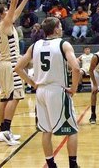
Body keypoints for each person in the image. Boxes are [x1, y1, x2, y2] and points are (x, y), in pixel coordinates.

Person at [14, 17, 81, 168]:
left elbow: (18, 67)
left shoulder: (35, 45)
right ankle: (73, 165)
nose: (62, 28)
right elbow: (76, 68)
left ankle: (51, 165)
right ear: (56, 29)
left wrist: (32, 83)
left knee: (46, 130)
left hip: (41, 91)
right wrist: (74, 88)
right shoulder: (63, 44)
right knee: (72, 130)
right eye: (60, 26)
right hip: (57, 90)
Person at [0, 0, 30, 146]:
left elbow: (16, 12)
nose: (9, 11)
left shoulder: (2, 25)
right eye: (5, 10)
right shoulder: (5, 23)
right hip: (12, 64)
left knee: (5, 98)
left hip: (4, 65)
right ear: (1, 14)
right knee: (15, 97)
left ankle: (2, 131)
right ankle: (6, 130)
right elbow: (13, 4)